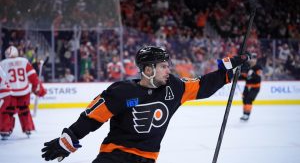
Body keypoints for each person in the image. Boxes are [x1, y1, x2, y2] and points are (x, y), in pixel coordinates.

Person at [41, 46, 250, 163]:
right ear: (148, 70)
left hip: (148, 159)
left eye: (167, 66)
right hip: (114, 156)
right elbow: (92, 118)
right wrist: (67, 140)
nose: (168, 70)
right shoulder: (121, 91)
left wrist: (228, 70)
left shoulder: (174, 88)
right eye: (162, 66)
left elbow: (203, 85)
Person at [0, 46, 47, 139]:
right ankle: (28, 128)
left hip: (10, 92)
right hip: (24, 91)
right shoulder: (24, 61)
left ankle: (5, 130)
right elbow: (33, 76)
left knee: (7, 111)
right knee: (24, 110)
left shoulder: (2, 63)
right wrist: (37, 87)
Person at [239, 53, 262, 121]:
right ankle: (244, 113)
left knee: (249, 99)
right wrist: (237, 76)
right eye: (251, 59)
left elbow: (258, 79)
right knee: (244, 99)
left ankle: (247, 115)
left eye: (254, 59)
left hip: (255, 87)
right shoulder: (246, 67)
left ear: (256, 60)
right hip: (247, 86)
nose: (252, 60)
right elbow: (244, 77)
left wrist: (253, 74)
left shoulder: (258, 67)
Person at [0, 65, 12, 140]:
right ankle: (5, 130)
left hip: (3, 94)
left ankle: (5, 130)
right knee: (3, 113)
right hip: (6, 93)